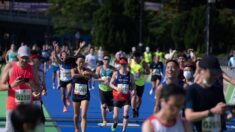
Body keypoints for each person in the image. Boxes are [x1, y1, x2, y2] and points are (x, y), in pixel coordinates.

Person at [0, 46, 40, 132]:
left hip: (27, 108)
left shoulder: (32, 68)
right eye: (22, 58)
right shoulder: (10, 66)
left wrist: (33, 86)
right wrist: (12, 85)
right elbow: (0, 86)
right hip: (12, 107)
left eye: (26, 58)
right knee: (10, 130)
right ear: (18, 56)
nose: (25, 60)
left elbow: (38, 88)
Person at [185, 55, 228, 132]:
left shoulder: (217, 90)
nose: (215, 76)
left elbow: (221, 118)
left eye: (217, 73)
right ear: (201, 70)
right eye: (212, 73)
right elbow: (189, 116)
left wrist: (231, 114)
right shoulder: (192, 90)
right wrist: (212, 111)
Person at [110, 57, 136, 132]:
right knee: (115, 116)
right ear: (120, 64)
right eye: (122, 64)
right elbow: (110, 84)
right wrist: (116, 88)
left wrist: (133, 90)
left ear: (127, 64)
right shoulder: (116, 73)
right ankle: (115, 123)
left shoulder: (130, 75)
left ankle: (124, 130)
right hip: (117, 97)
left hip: (126, 97)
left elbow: (133, 84)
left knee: (126, 112)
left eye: (124, 64)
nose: (123, 66)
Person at [71, 55, 94, 132]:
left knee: (83, 115)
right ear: (76, 62)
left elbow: (91, 76)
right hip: (76, 95)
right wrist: (82, 74)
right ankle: (76, 127)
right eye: (80, 61)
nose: (81, 63)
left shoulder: (87, 70)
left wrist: (89, 74)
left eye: (83, 62)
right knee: (76, 115)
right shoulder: (73, 69)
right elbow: (73, 75)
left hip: (85, 95)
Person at [96, 55, 115, 126]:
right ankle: (104, 120)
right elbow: (96, 78)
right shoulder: (99, 68)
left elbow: (115, 79)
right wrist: (102, 79)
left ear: (109, 61)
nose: (106, 61)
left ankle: (109, 108)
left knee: (110, 108)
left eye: (108, 59)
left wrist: (110, 79)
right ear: (103, 60)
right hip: (102, 89)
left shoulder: (113, 69)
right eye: (105, 59)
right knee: (103, 105)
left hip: (110, 90)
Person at [130, 52, 150, 117]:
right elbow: (127, 68)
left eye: (136, 59)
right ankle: (133, 110)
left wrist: (142, 72)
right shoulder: (131, 61)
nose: (135, 60)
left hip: (141, 83)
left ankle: (137, 109)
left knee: (139, 99)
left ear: (139, 57)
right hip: (133, 82)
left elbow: (148, 72)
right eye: (134, 58)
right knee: (133, 95)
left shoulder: (143, 63)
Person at [54, 44, 73, 112]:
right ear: (61, 56)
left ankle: (68, 98)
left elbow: (74, 55)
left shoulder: (70, 62)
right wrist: (54, 48)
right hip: (62, 81)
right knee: (63, 94)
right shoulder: (60, 62)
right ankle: (64, 106)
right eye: (63, 54)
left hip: (69, 80)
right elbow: (55, 56)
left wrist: (70, 49)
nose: (64, 56)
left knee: (70, 90)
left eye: (65, 54)